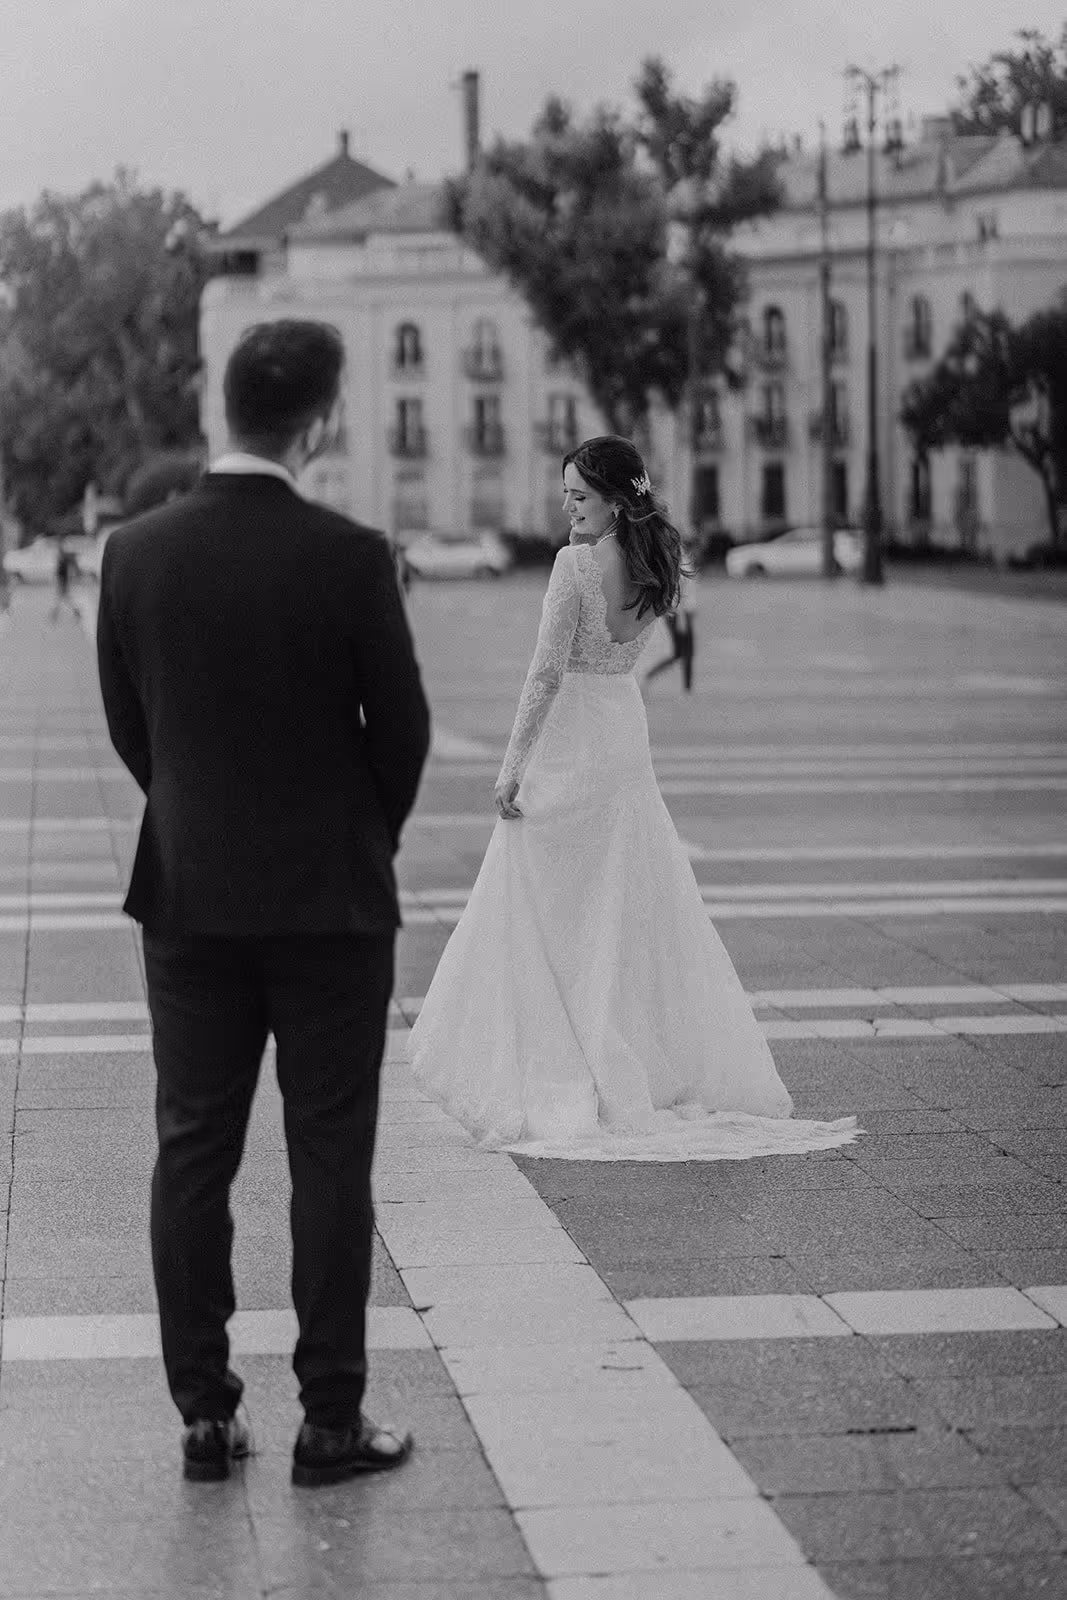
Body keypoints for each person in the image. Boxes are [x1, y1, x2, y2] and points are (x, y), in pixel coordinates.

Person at [96, 320, 431, 1485]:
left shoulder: (135, 552)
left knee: (192, 1147)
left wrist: (196, 817)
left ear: (219, 411)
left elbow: (132, 724)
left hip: (190, 895)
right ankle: (330, 1421)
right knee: (329, 1156)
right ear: (323, 419)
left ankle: (204, 1413)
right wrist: (353, 839)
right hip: (332, 904)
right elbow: (404, 732)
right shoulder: (349, 554)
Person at [409, 435, 856, 1161]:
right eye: (565, 496)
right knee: (620, 901)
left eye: (579, 496)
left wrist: (512, 762)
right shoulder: (657, 562)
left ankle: (557, 1057)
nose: (567, 508)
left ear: (617, 500)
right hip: (620, 730)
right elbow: (625, 650)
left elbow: (546, 673)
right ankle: (621, 1051)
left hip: (572, 735)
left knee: (541, 898)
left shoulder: (573, 565)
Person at [644, 538, 697, 692]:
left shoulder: (683, 561)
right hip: (679, 613)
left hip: (682, 612)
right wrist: (681, 617)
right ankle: (648, 675)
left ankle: (687, 688)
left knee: (683, 652)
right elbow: (678, 593)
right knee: (682, 652)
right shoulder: (678, 564)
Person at [50, 541, 80, 623]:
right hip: (62, 581)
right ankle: (75, 612)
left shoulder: (63, 559)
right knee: (63, 598)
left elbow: (62, 572)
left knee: (62, 598)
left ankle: (55, 614)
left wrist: (61, 581)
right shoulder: (62, 558)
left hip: (63, 581)